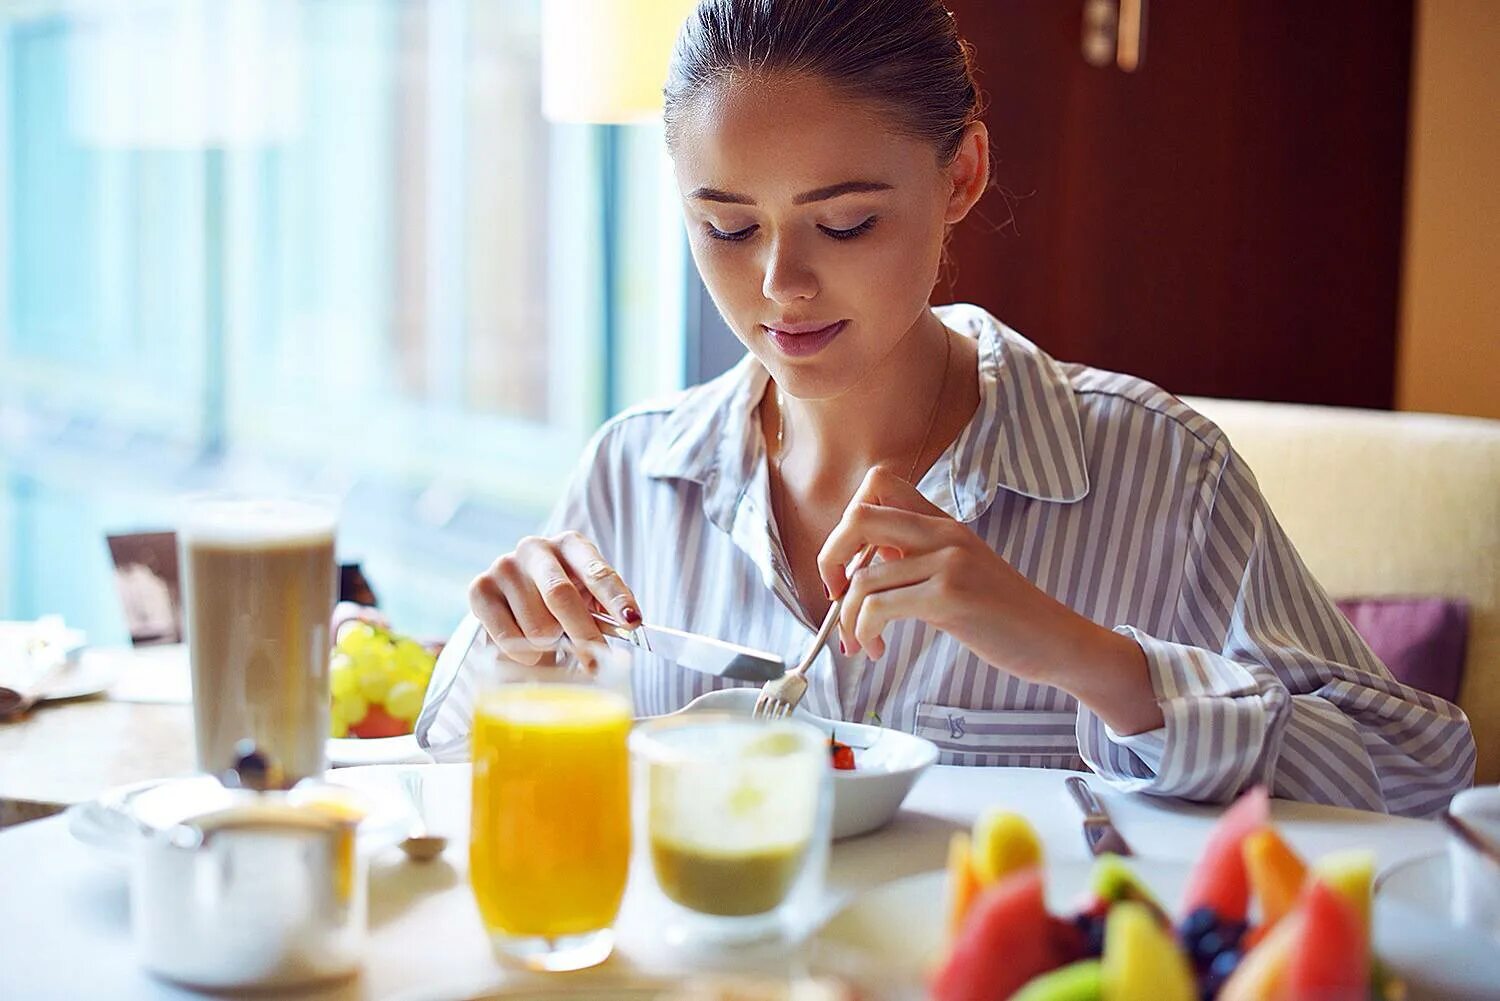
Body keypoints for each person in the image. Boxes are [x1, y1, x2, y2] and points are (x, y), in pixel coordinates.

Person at [421, 0, 1474, 817]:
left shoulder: (1161, 471)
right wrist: (513, 654)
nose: (781, 285)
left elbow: (1417, 773)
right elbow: (445, 793)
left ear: (962, 172)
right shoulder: (631, 474)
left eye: (845, 224)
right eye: (729, 229)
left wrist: (1087, 658)